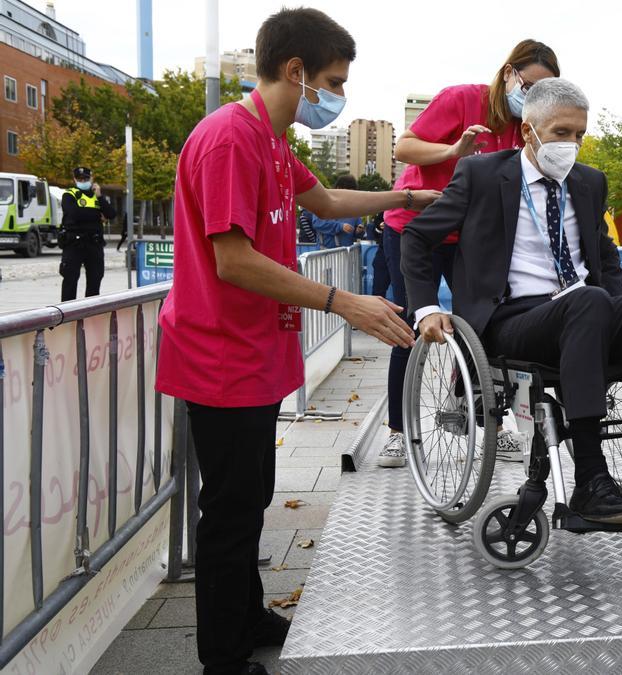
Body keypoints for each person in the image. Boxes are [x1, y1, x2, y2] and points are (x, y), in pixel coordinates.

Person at [155, 10, 439, 674]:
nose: (336, 96)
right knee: (227, 513)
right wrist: (346, 304)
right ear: (295, 72)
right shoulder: (229, 139)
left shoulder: (273, 140)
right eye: (333, 82)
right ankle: (223, 658)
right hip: (218, 356)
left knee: (253, 496)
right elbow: (235, 260)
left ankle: (247, 614)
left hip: (255, 356)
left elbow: (330, 203)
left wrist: (410, 199)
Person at [404, 78, 622, 524]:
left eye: (580, 134)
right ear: (528, 131)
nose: (572, 144)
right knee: (589, 302)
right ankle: (590, 480)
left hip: (587, 311)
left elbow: (604, 254)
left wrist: (618, 311)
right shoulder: (481, 174)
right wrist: (425, 308)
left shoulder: (588, 183)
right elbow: (415, 237)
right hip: (515, 320)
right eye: (561, 133)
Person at [377, 39, 559, 468]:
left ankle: (494, 422)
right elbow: (404, 147)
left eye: (544, 94)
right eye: (530, 86)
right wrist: (453, 151)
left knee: (484, 323)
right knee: (412, 326)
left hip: (472, 239)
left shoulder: (527, 126)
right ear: (510, 73)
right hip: (416, 228)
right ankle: (398, 431)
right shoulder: (463, 99)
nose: (533, 99)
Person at [59, 166, 115, 301]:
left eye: (86, 178)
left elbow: (111, 214)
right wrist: (97, 215)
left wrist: (100, 198)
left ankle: (90, 314)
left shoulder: (98, 197)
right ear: (74, 179)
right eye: (80, 179)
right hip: (74, 243)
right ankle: (68, 313)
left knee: (95, 279)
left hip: (94, 244)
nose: (83, 181)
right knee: (70, 279)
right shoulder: (69, 194)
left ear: (91, 178)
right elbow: (75, 214)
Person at [312, 174, 366, 247]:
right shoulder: (324, 202)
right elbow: (317, 223)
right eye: (348, 192)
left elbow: (358, 230)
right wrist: (340, 226)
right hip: (326, 252)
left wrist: (359, 231)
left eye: (352, 193)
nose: (350, 196)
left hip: (345, 253)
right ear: (338, 188)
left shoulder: (354, 208)